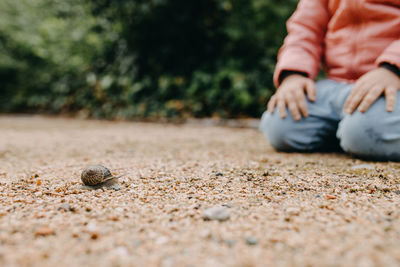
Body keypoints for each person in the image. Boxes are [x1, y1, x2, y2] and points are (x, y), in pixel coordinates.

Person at [259, 0, 400, 161]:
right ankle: (349, 133)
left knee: (363, 132)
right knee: (280, 125)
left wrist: (392, 69)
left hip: (392, 85)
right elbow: (305, 29)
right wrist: (293, 74)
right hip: (337, 84)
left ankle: (355, 133)